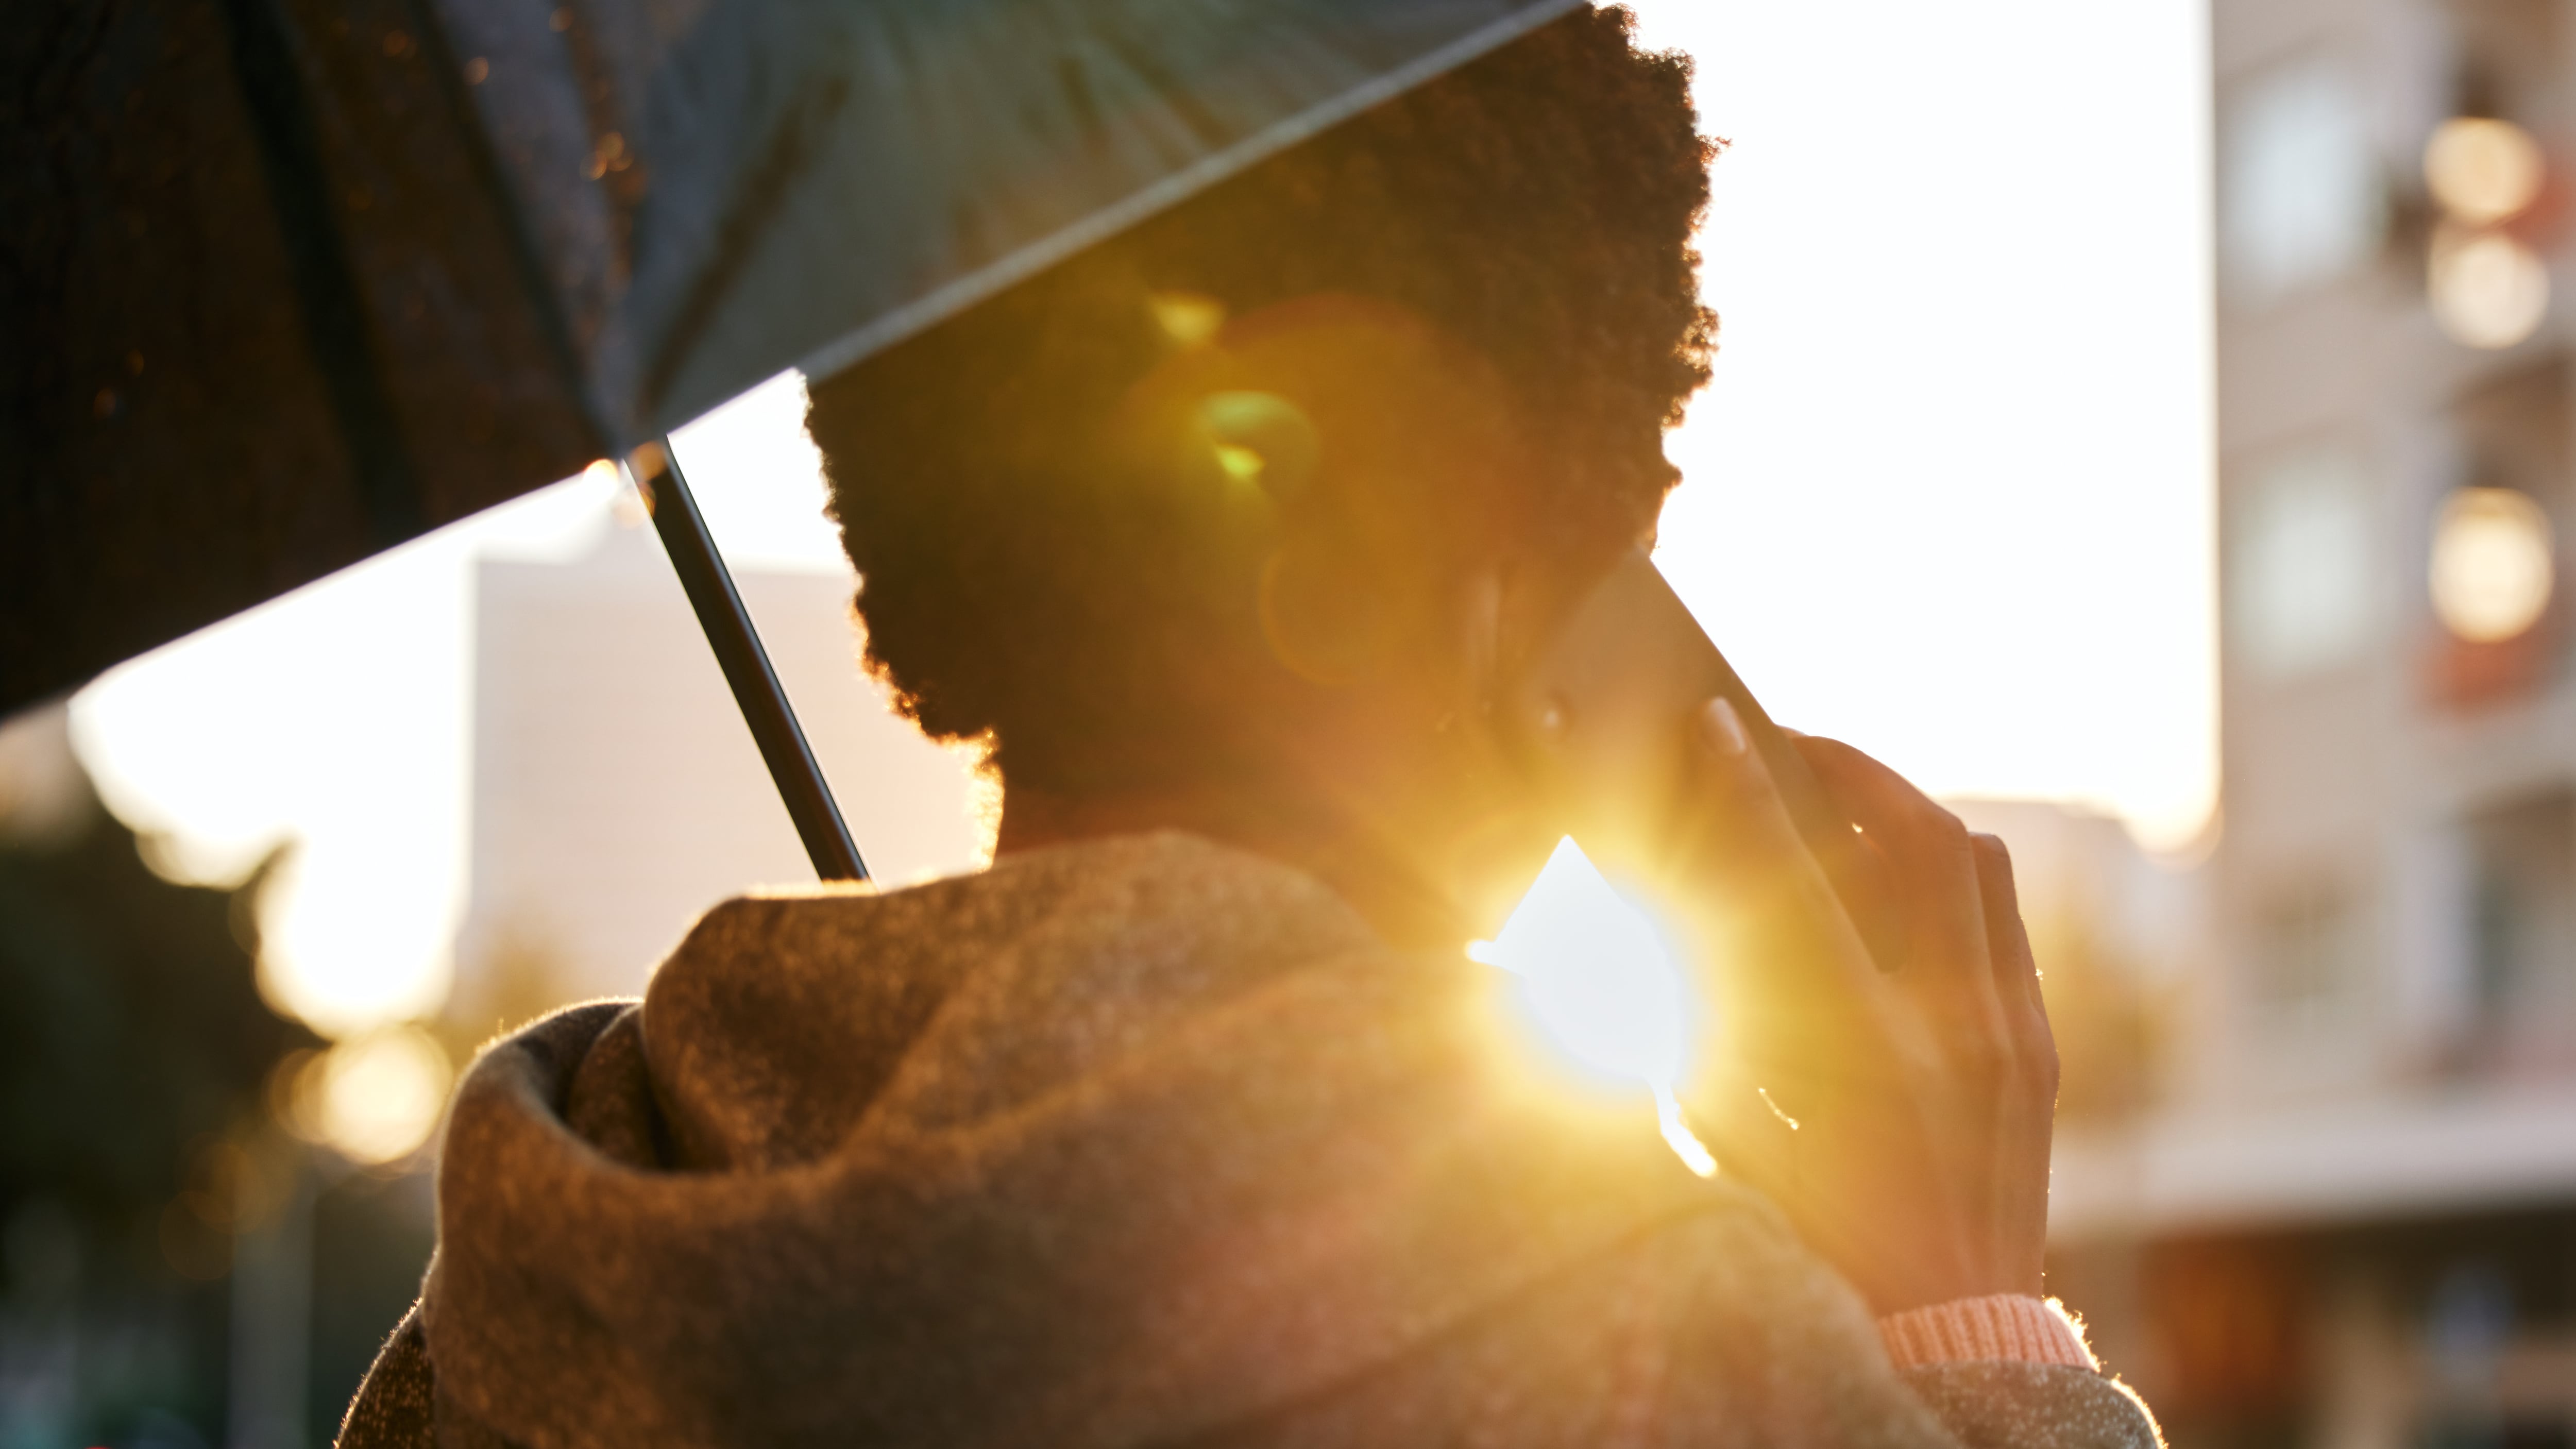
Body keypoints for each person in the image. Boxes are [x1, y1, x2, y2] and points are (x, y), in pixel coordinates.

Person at [340, 8, 2161, 1445]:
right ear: (1344, 520)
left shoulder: (512, 1308)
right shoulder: (1642, 1351)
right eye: (1605, 527)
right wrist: (1967, 1326)